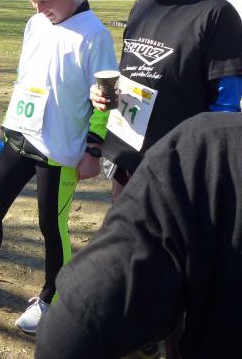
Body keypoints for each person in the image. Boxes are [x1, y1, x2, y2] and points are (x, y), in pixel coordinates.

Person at [0, 0, 117, 334]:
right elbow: (24, 79)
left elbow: (107, 98)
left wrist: (93, 150)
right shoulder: (35, 24)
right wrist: (6, 127)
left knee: (50, 226)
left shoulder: (94, 35)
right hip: (21, 135)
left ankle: (50, 299)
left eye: (44, 2)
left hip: (60, 148)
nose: (39, 10)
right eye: (33, 3)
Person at [35, 111, 242, 359]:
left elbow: (67, 334)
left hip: (173, 160)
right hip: (131, 147)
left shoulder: (210, 145)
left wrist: (93, 144)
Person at [91, 0, 242, 199]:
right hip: (125, 159)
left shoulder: (216, 14)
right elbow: (134, 75)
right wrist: (103, 94)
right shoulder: (141, 8)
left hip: (175, 171)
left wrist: (204, 167)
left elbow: (226, 106)